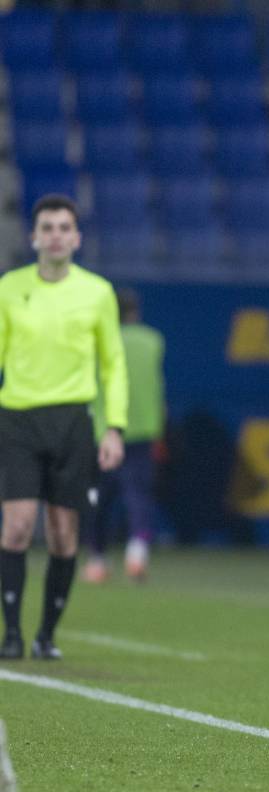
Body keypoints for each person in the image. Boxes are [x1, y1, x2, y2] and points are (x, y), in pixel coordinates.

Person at [0, 194, 128, 660]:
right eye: (47, 227)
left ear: (76, 237)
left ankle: (45, 635)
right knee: (15, 528)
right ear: (33, 236)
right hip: (17, 418)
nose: (55, 235)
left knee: (61, 534)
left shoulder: (96, 292)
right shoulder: (9, 288)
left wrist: (113, 427)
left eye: (63, 227)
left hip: (73, 421)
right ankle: (11, 634)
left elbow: (112, 364)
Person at [82, 288, 166, 584]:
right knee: (139, 496)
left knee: (99, 501)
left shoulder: (97, 342)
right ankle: (137, 553)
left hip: (104, 432)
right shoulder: (153, 340)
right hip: (143, 429)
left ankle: (97, 561)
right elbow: (158, 386)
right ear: (136, 311)